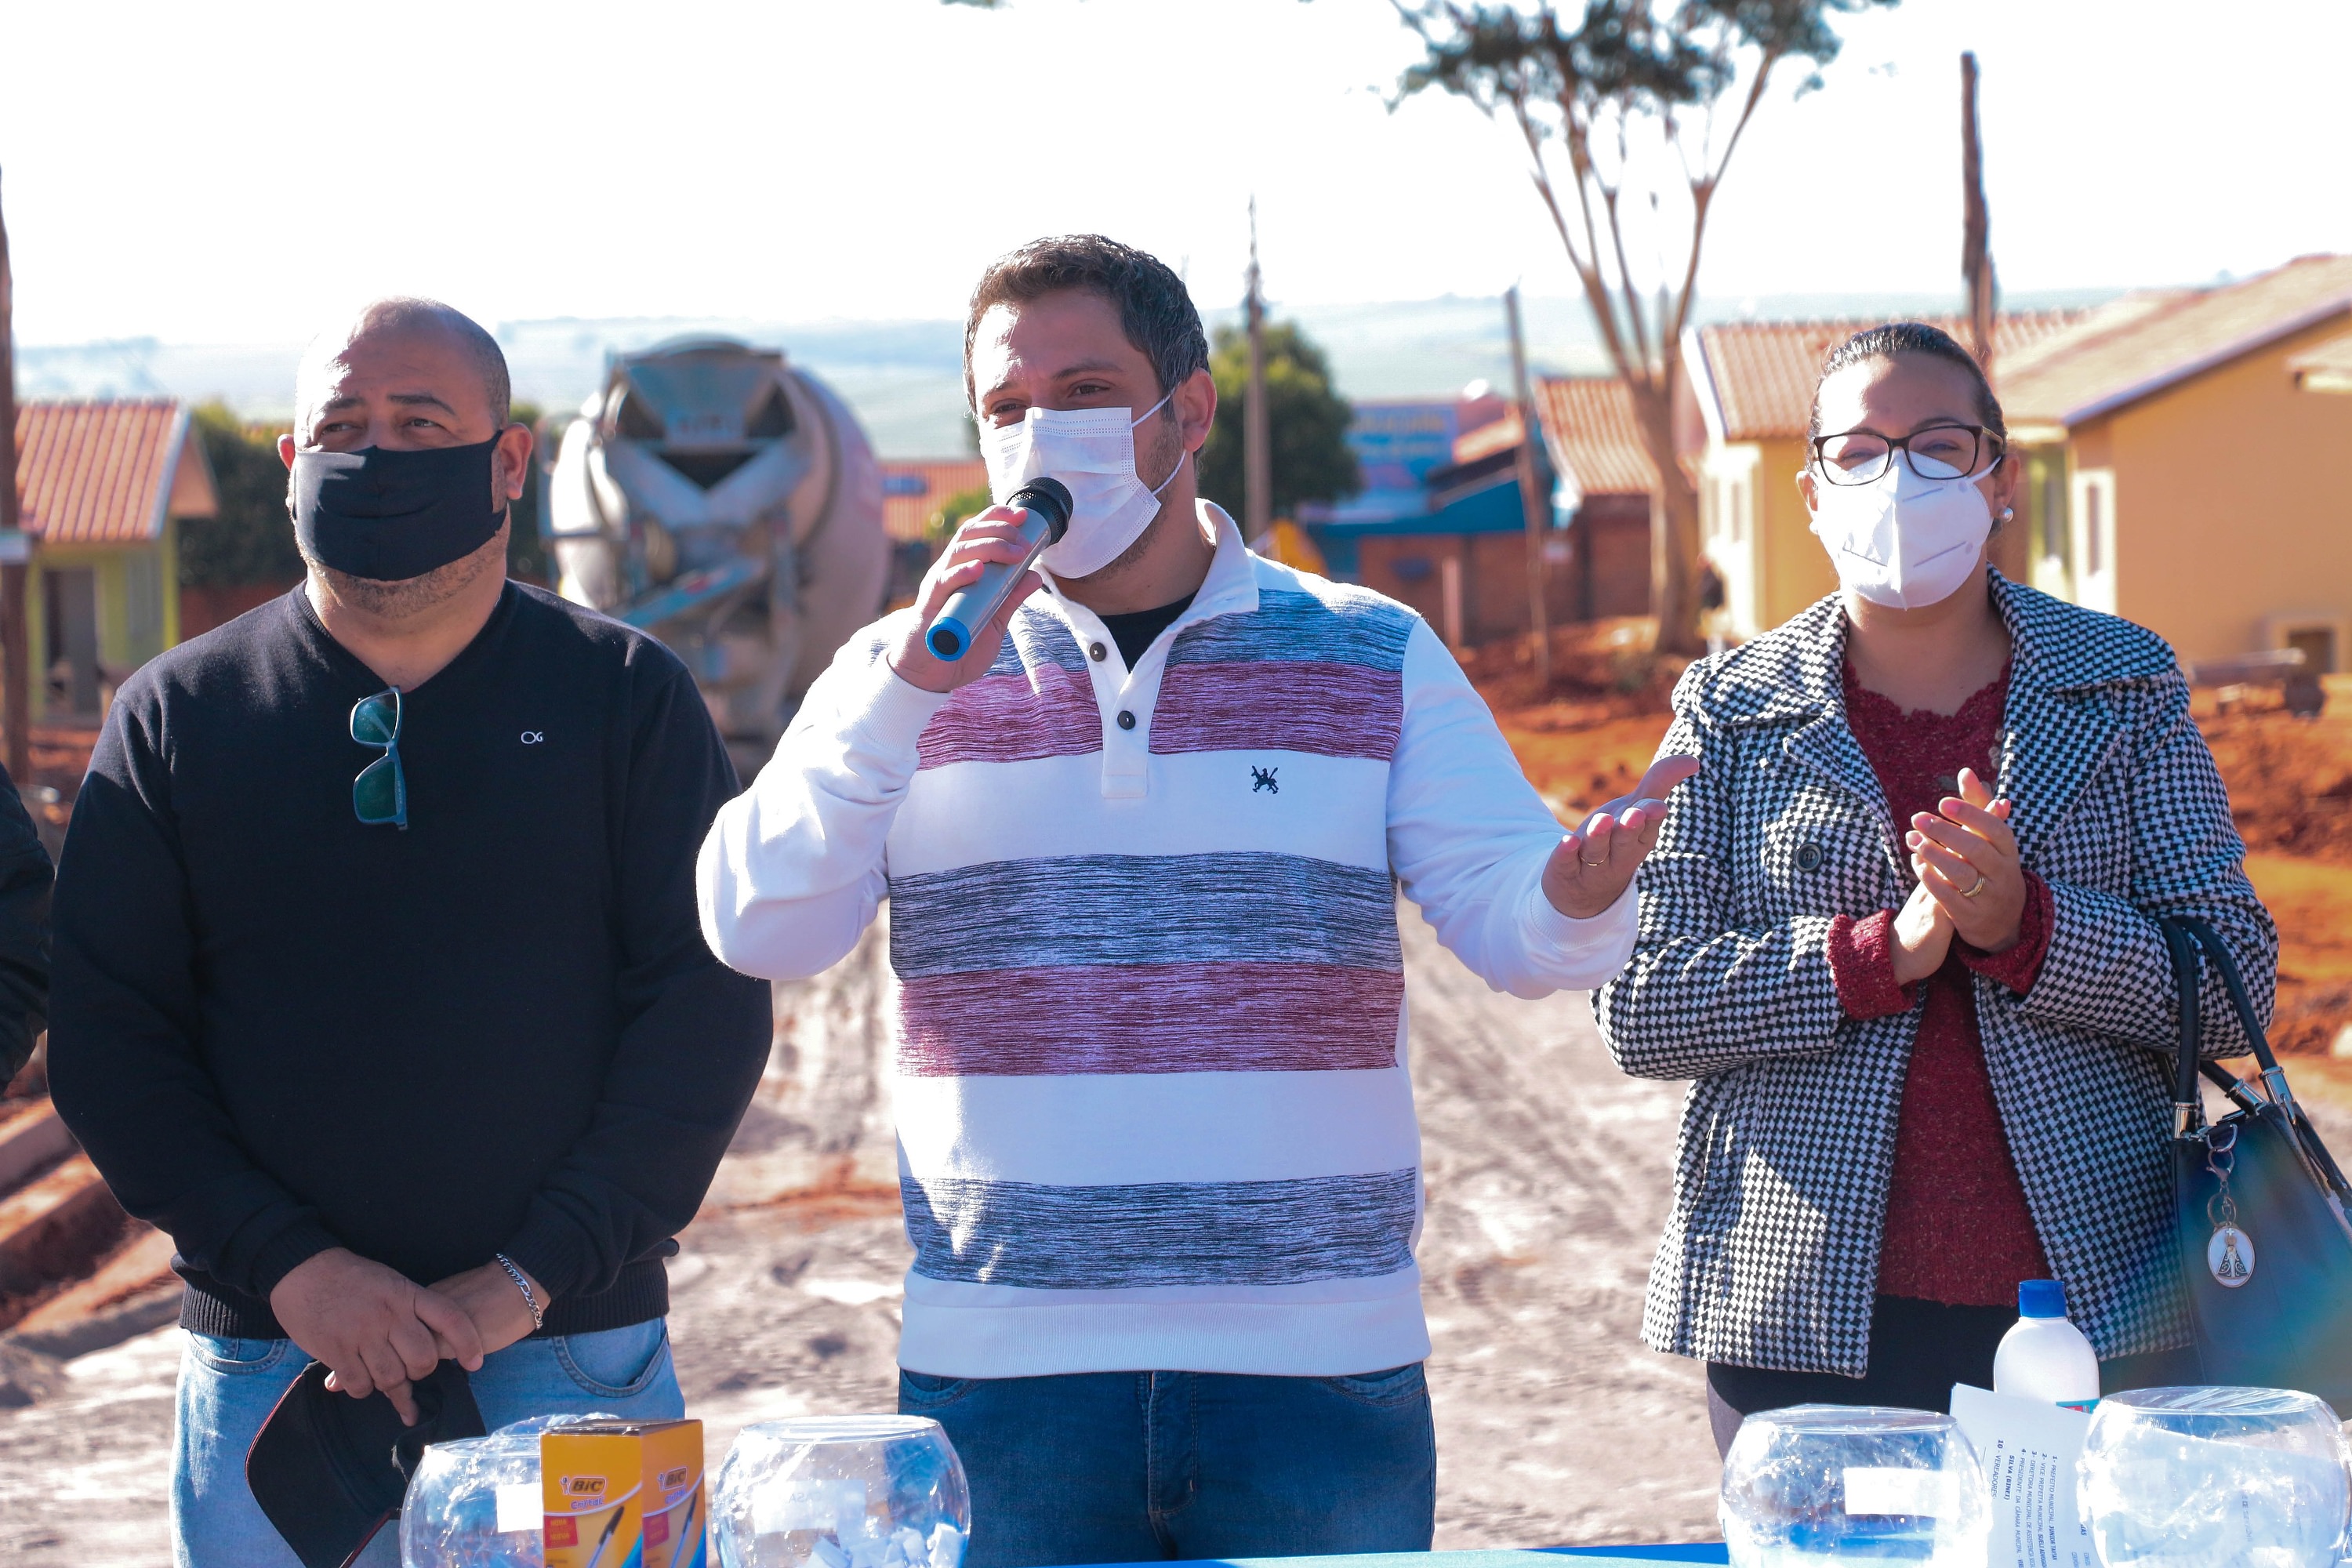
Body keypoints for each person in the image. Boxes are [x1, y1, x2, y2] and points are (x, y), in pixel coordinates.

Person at [699, 234, 1692, 1566]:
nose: (1044, 432)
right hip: (1003, 1382)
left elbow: (1518, 930)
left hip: (1319, 1384)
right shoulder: (895, 672)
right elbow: (761, 924)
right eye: (1007, 409)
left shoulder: (1368, 648)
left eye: (1090, 391)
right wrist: (908, 695)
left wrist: (1573, 893)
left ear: (1192, 410)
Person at [46, 298, 773, 1566]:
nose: (375, 453)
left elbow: (704, 1016)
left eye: (419, 422)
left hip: (570, 1362)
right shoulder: (176, 719)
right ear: (290, 468)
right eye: (342, 425)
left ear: (508, 461)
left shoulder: (625, 702)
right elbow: (113, 1039)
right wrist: (295, 1273)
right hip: (274, 1372)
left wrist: (530, 1277)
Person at [1594, 322, 2276, 1453]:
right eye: (1858, 453)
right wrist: (1874, 955)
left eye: (1937, 445)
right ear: (1812, 494)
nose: (1895, 480)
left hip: (2101, 1306)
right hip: (1807, 1321)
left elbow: (2235, 975)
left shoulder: (2123, 683)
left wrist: (2031, 930)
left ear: (2000, 478)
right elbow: (1640, 1005)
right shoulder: (1729, 705)